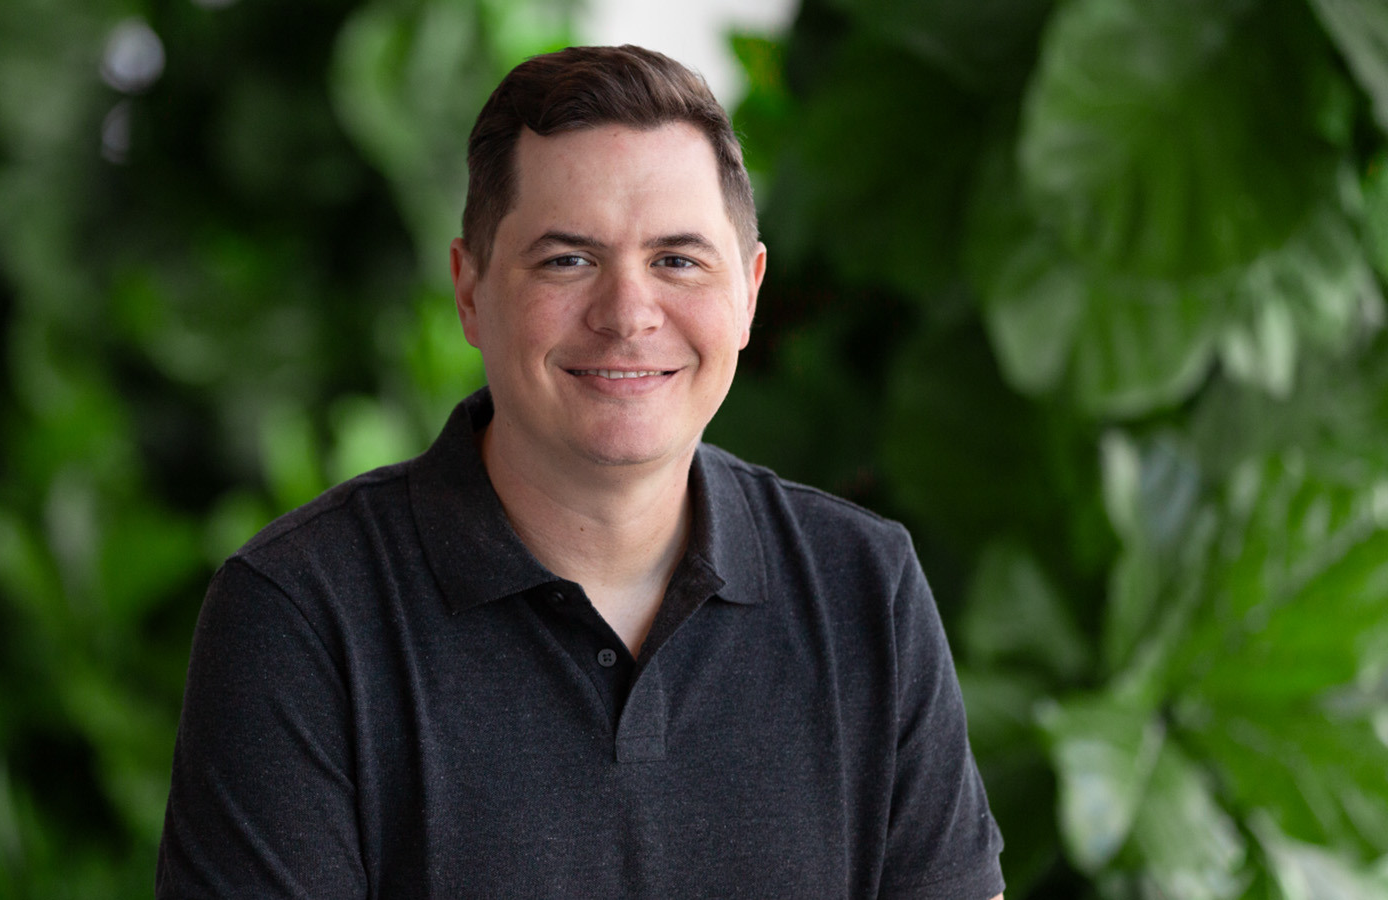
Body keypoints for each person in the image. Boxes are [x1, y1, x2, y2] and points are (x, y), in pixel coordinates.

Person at [157, 45, 1004, 899]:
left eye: (678, 260)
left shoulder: (865, 589)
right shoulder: (302, 613)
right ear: (470, 289)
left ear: (747, 294)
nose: (628, 314)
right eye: (568, 259)